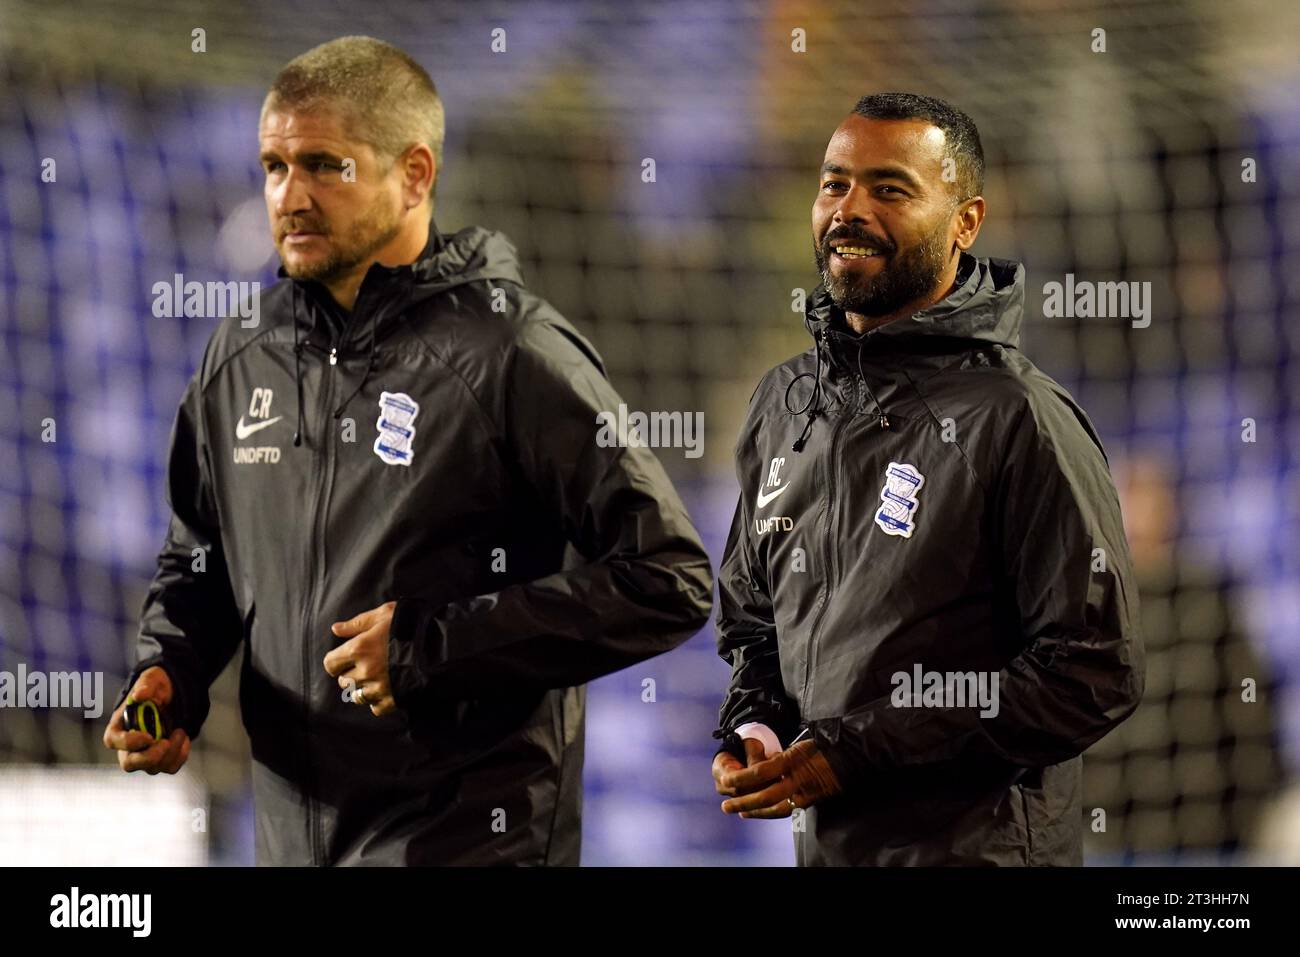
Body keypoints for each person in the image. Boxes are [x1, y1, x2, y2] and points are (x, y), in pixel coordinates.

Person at [103, 36, 713, 866]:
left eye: (325, 165)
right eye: (274, 166)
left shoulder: (511, 351)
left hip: (466, 842)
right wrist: (167, 673)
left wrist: (436, 647)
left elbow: (669, 578)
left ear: (415, 174)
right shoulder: (241, 351)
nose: (290, 194)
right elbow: (202, 556)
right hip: (289, 842)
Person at [711, 92, 1144, 866]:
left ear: (966, 221)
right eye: (834, 183)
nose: (850, 210)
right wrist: (758, 726)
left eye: (890, 189)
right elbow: (754, 624)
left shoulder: (1020, 417)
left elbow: (1093, 670)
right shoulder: (782, 402)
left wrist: (858, 750)